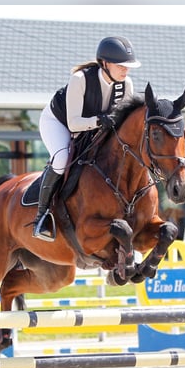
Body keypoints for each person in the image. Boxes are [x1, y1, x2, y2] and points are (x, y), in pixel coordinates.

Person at [33, 36, 141, 241]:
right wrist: (101, 121)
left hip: (93, 127)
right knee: (62, 159)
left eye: (128, 66)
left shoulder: (126, 84)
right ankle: (43, 216)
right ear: (105, 63)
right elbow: (74, 124)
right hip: (59, 122)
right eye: (121, 66)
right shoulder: (80, 79)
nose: (125, 70)